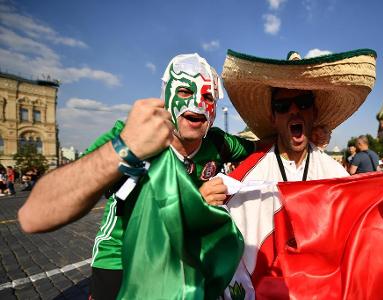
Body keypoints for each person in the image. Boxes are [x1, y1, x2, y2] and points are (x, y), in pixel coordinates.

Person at [201, 48, 383, 299]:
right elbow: (215, 244)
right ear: (273, 116)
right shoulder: (244, 177)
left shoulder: (335, 175)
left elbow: (371, 225)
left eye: (303, 103)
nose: (294, 111)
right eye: (282, 105)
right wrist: (203, 207)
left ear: (314, 112)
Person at [19, 54, 256, 299]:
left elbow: (266, 148)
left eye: (208, 97)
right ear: (166, 97)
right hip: (124, 261)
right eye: (185, 91)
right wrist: (126, 148)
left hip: (183, 255)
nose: (197, 102)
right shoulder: (131, 136)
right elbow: (33, 216)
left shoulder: (217, 143)